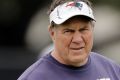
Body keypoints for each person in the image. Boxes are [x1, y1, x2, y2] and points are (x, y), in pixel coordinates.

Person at [18, 0, 120, 80]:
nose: (77, 39)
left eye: (83, 30)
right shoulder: (34, 77)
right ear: (52, 33)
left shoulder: (112, 70)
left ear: (92, 29)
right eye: (68, 31)